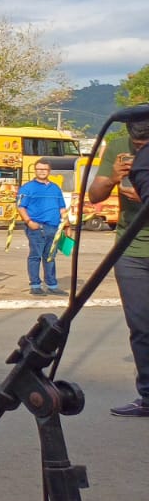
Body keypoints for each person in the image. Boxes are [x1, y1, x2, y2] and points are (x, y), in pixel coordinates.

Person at [88, 117, 149, 416]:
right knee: (140, 326)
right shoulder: (116, 148)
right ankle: (148, 397)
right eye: (136, 146)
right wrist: (112, 178)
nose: (141, 150)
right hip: (131, 249)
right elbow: (94, 196)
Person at [18, 161, 66, 295]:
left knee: (50, 257)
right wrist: (29, 222)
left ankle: (52, 285)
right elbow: (21, 207)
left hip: (53, 228)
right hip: (36, 228)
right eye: (39, 169)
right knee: (35, 256)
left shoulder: (55, 188)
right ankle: (35, 285)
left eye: (45, 169)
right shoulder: (27, 188)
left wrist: (67, 225)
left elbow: (62, 207)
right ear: (35, 170)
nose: (42, 171)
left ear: (49, 171)